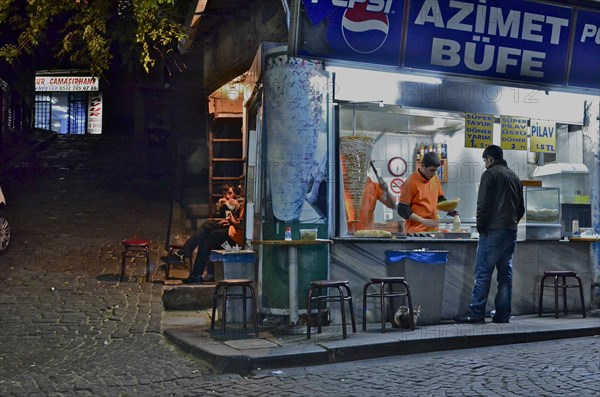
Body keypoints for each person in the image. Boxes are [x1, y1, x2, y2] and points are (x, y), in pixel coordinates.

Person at [455, 145, 524, 324]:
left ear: (490, 159)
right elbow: (521, 208)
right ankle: (502, 315)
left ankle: (476, 312)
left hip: (492, 231)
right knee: (505, 274)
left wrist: (480, 227)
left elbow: (483, 204)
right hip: (510, 231)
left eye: (485, 160)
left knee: (483, 273)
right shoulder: (515, 177)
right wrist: (511, 223)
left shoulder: (489, 174)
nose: (485, 163)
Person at [161, 184, 242, 284]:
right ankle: (196, 276)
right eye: (224, 193)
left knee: (207, 225)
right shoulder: (223, 203)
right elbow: (220, 218)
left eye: (230, 193)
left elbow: (239, 222)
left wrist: (232, 212)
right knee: (205, 241)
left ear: (234, 193)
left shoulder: (238, 203)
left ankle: (183, 253)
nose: (227, 196)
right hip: (224, 235)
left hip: (233, 240)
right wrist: (220, 208)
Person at [397, 152, 457, 233]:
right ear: (423, 166)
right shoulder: (410, 182)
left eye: (435, 170)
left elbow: (440, 199)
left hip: (433, 231)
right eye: (431, 170)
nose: (434, 173)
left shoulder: (435, 179)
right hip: (415, 233)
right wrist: (423, 221)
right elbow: (402, 210)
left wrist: (450, 208)